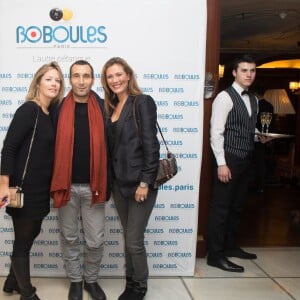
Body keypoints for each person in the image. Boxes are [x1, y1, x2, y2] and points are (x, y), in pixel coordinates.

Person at [0, 62, 65, 300]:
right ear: (38, 82)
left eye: (57, 80)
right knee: (23, 241)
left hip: (40, 189)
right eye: (49, 79)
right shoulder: (29, 110)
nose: (54, 84)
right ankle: (27, 293)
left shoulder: (50, 113)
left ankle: (10, 282)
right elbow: (8, 149)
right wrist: (3, 185)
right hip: (24, 188)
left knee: (30, 233)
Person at [50, 60, 110, 300]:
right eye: (76, 76)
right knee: (70, 237)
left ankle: (91, 280)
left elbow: (114, 148)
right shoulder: (57, 109)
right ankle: (76, 280)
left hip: (95, 186)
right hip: (66, 187)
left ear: (93, 79)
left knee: (95, 240)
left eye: (86, 76)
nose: (82, 81)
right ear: (70, 79)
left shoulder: (105, 107)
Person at [101, 57, 160, 300]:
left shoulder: (142, 102)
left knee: (134, 240)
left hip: (139, 184)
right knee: (129, 238)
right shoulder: (111, 107)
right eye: (110, 76)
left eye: (118, 74)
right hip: (119, 185)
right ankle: (131, 280)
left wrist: (145, 182)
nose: (115, 80)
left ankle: (140, 286)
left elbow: (151, 146)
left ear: (128, 75)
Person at [207, 54, 264, 273]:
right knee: (220, 209)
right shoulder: (225, 97)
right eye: (244, 70)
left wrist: (259, 136)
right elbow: (216, 133)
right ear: (234, 72)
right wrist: (222, 163)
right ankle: (215, 254)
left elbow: (245, 127)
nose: (249, 74)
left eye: (252, 70)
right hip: (229, 159)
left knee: (237, 206)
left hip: (246, 159)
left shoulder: (253, 99)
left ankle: (230, 247)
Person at [252, 86, 274, 193]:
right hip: (265, 136)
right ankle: (261, 186)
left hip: (253, 137)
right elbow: (271, 123)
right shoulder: (270, 105)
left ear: (255, 93)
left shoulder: (254, 105)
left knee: (253, 162)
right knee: (261, 162)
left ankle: (254, 185)